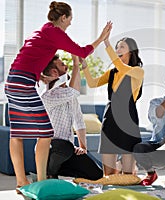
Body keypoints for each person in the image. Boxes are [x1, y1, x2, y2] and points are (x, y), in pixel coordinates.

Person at [4, 1, 111, 192]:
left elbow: (28, 57)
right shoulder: (55, 33)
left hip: (12, 80)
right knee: (45, 133)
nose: (70, 24)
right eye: (70, 20)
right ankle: (42, 181)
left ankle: (21, 181)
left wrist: (40, 75)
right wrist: (102, 37)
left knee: (17, 135)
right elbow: (82, 52)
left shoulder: (43, 31)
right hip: (23, 82)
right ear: (63, 18)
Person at [82, 34, 144, 176]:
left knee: (128, 175)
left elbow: (121, 67)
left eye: (122, 47)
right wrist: (85, 66)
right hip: (110, 118)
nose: (118, 49)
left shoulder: (137, 71)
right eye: (116, 47)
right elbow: (92, 83)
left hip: (128, 119)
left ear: (131, 51)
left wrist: (106, 43)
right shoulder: (112, 73)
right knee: (108, 175)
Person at [41, 54, 103, 180]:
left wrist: (82, 147)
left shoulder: (70, 96)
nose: (67, 67)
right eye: (63, 65)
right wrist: (76, 64)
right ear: (54, 72)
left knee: (96, 174)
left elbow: (79, 121)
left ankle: (58, 171)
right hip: (51, 148)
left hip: (67, 149)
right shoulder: (48, 95)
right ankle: (49, 173)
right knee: (63, 147)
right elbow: (74, 91)